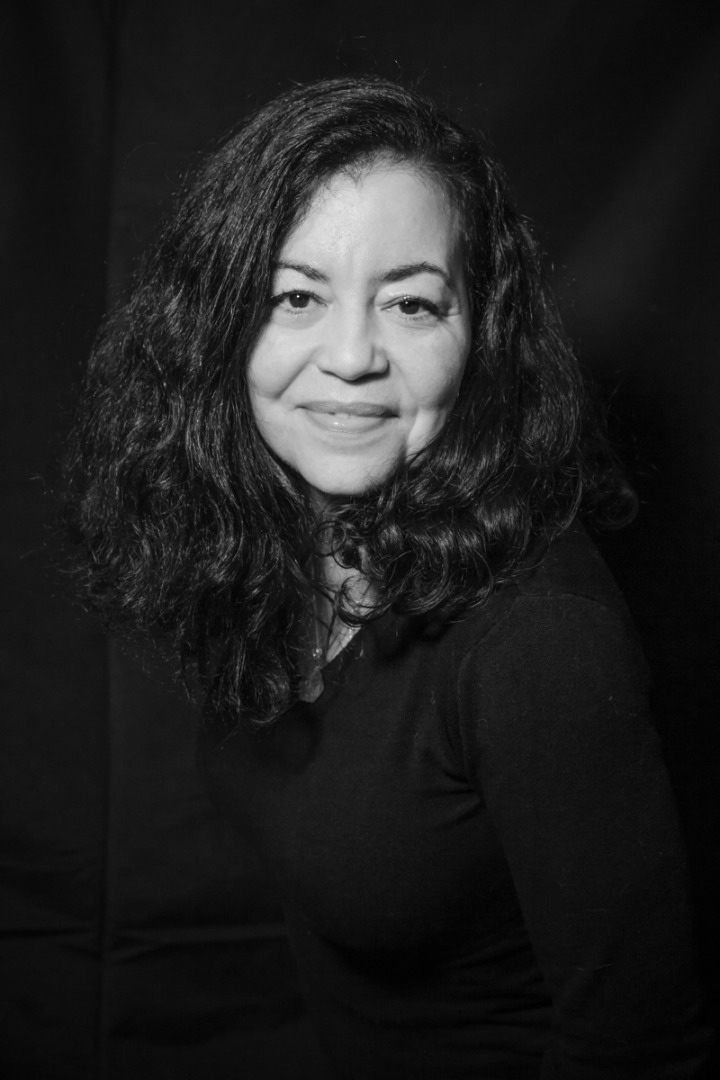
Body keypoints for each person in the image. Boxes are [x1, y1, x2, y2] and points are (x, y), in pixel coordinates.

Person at [65, 76, 712, 1077]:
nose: (353, 356)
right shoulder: (281, 549)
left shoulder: (539, 636)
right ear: (218, 325)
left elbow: (640, 1047)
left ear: (480, 335)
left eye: (411, 303)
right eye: (296, 297)